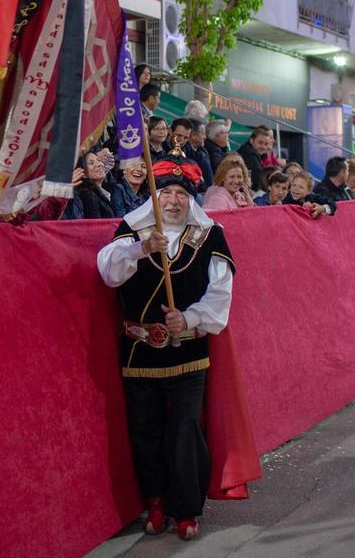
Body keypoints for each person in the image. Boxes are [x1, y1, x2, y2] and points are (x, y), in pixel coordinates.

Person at [95, 153, 235, 541]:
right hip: (139, 355)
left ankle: (187, 509)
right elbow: (107, 272)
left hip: (188, 352)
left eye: (180, 193)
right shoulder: (132, 231)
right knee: (145, 430)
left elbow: (221, 293)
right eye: (166, 192)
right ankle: (155, 502)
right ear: (154, 198)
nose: (172, 200)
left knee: (185, 429)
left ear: (191, 198)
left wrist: (188, 319)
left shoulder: (211, 235)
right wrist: (140, 249)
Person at [65, 148, 116, 220]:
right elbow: (95, 226)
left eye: (99, 160)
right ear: (83, 174)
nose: (99, 164)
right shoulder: (87, 195)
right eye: (91, 163)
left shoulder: (101, 192)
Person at [236, 125, 271, 192]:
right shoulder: (250, 155)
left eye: (266, 144)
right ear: (251, 140)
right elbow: (259, 181)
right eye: (260, 143)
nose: (263, 147)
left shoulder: (249, 151)